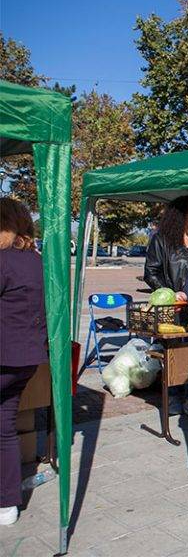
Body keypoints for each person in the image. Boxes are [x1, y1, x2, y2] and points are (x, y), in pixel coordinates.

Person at [0, 198, 47, 527]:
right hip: (26, 360)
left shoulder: (4, 261)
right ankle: (7, 504)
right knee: (4, 428)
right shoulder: (36, 261)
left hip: (5, 357)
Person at [144, 195, 188, 418]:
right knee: (174, 354)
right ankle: (173, 396)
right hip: (175, 308)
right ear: (178, 217)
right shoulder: (162, 240)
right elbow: (150, 272)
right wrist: (170, 293)